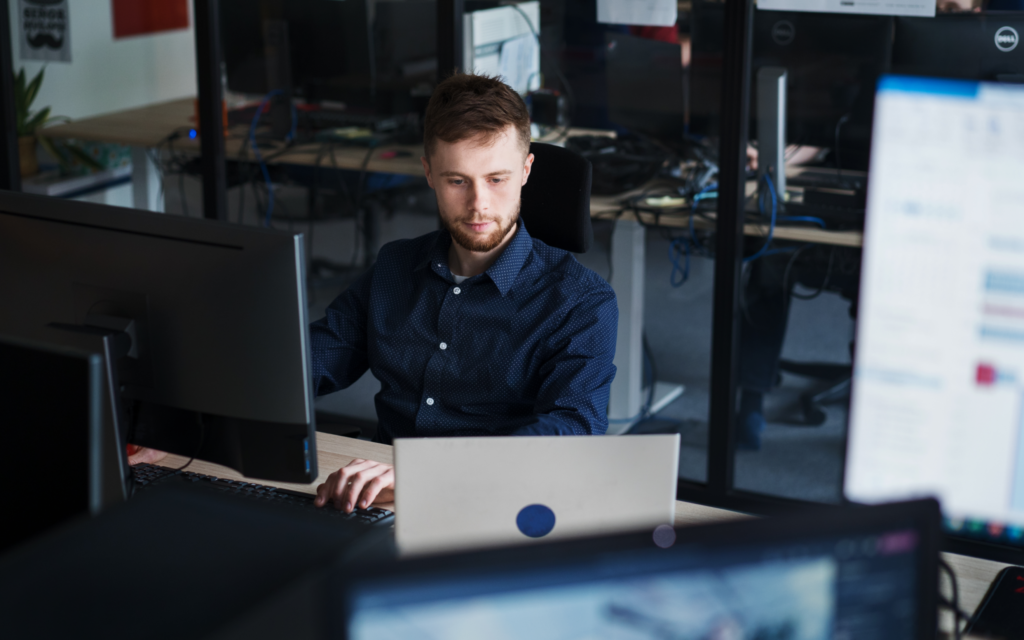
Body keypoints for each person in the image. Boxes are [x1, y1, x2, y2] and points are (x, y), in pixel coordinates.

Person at [310, 73, 618, 513]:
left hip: (497, 503)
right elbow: (316, 357)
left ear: (526, 171)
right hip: (382, 501)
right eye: (458, 181)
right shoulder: (396, 267)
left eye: (497, 179)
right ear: (429, 173)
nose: (479, 205)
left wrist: (429, 475)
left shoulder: (582, 303)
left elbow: (573, 428)